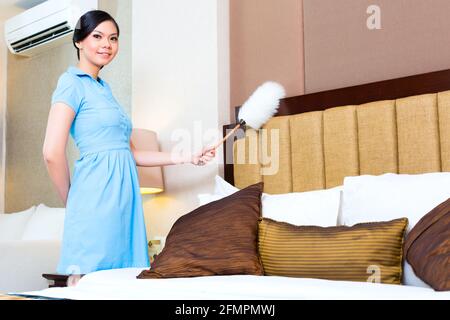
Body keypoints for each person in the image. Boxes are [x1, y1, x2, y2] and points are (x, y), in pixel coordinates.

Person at [42, 10, 215, 276]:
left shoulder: (104, 89)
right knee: (91, 281)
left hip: (125, 199)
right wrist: (72, 201)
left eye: (113, 38)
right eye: (97, 36)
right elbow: (52, 152)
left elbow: (132, 153)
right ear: (79, 41)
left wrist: (187, 156)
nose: (106, 45)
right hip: (94, 197)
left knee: (124, 280)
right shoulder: (71, 84)